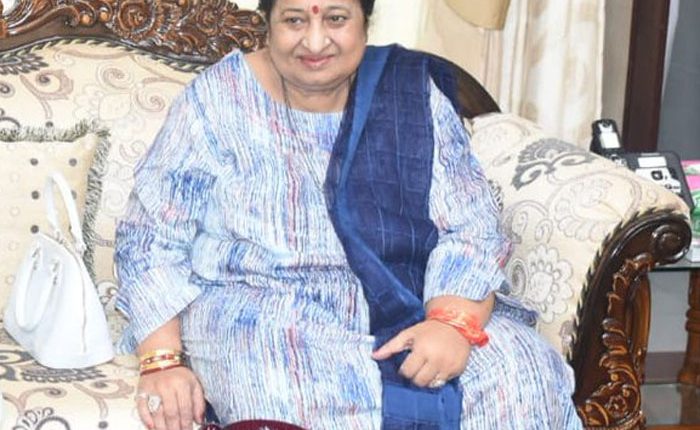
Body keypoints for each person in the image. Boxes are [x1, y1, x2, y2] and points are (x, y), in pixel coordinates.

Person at [114, 0, 584, 429]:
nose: (315, 41)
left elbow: (470, 224)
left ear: (365, 23)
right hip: (264, 310)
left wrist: (450, 324)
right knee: (286, 381)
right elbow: (151, 235)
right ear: (267, 24)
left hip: (414, 298)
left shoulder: (409, 91)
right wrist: (162, 362)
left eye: (336, 19)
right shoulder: (217, 99)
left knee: (520, 368)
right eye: (294, 20)